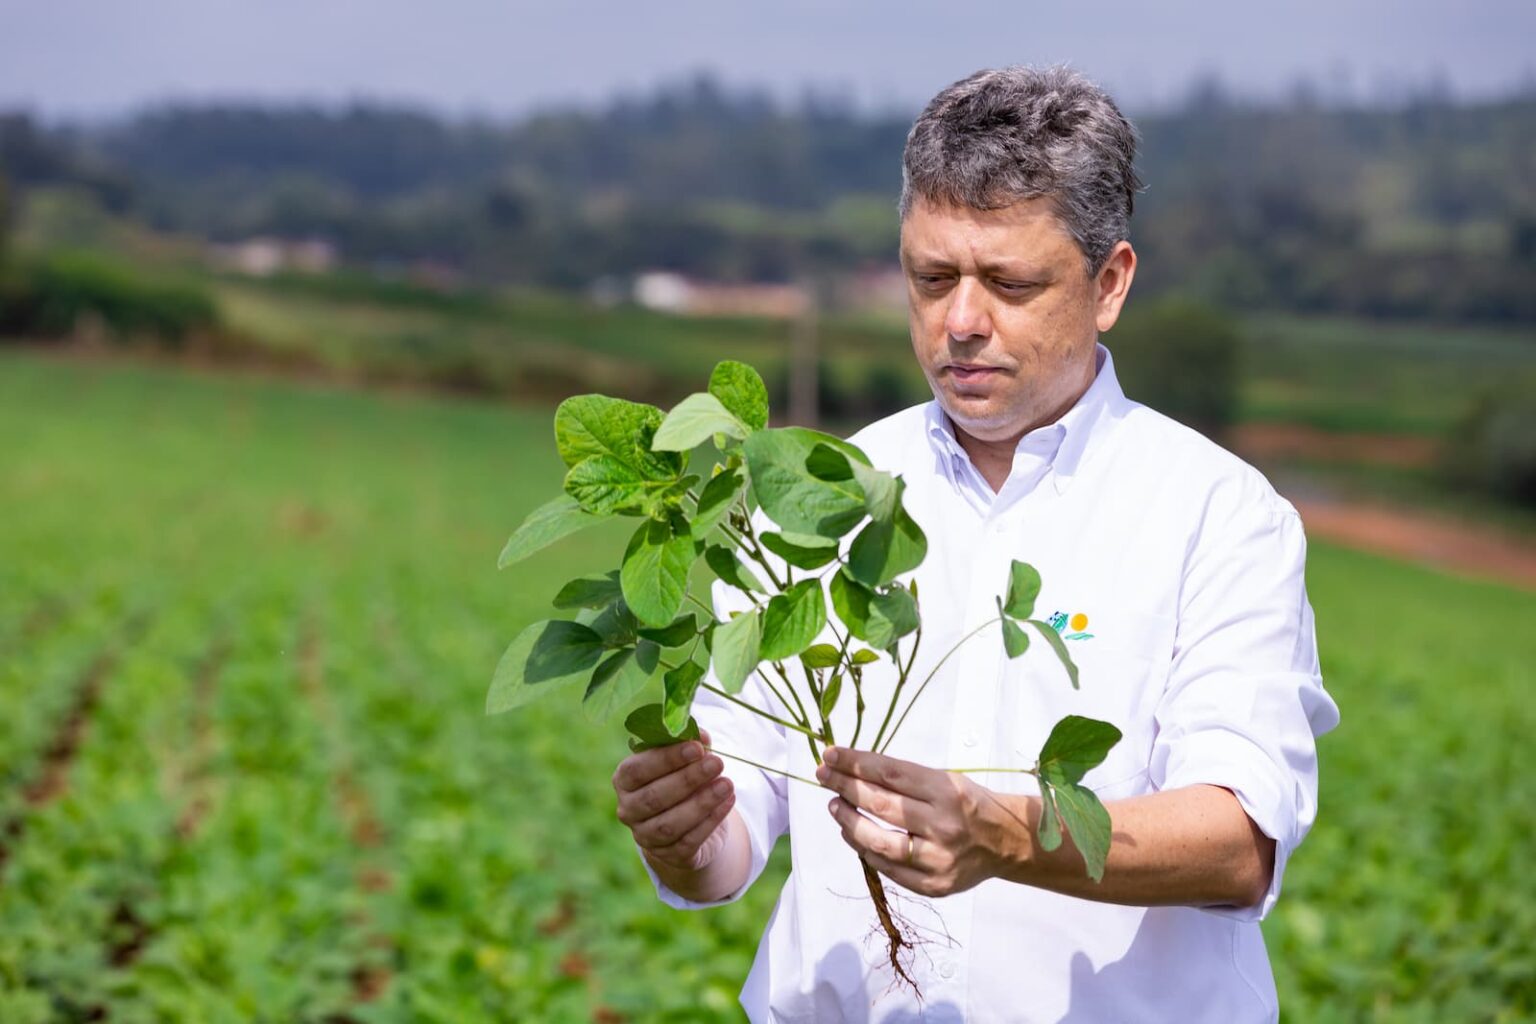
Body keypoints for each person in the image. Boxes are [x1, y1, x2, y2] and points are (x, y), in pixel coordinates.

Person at [611, 64, 1340, 1023]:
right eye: (931, 277)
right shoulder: (817, 494)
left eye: (1009, 282)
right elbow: (731, 842)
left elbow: (1236, 846)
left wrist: (1007, 834)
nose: (961, 322)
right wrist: (685, 834)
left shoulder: (1216, 513)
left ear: (1109, 283)